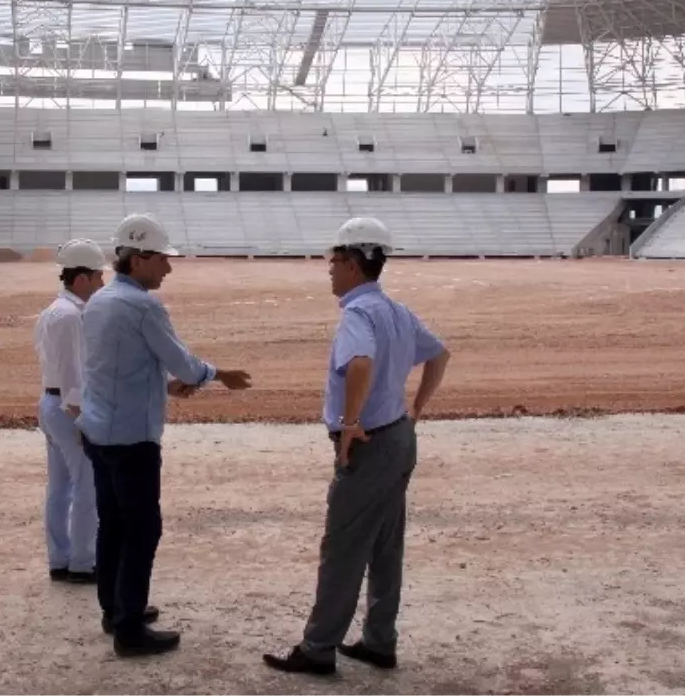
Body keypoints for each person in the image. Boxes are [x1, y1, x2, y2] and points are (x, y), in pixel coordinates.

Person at [263, 216, 451, 677]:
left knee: (344, 548)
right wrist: (416, 410)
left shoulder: (358, 314)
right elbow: (440, 353)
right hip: (398, 437)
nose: (329, 269)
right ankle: (378, 640)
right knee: (386, 545)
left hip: (368, 444)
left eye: (333, 261)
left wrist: (349, 424)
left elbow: (360, 364)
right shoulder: (397, 311)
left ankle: (318, 648)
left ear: (350, 264)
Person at [78, 213, 253, 658]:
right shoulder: (143, 306)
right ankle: (130, 630)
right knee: (141, 529)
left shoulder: (98, 301)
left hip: (98, 430)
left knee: (112, 524)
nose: (168, 269)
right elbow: (185, 364)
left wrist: (162, 385)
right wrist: (218, 374)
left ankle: (114, 609)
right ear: (138, 260)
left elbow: (116, 366)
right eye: (162, 260)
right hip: (131, 439)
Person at [32, 239, 108, 586]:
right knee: (86, 485)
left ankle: (60, 558)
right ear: (81, 279)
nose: (101, 284)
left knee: (60, 487)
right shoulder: (72, 316)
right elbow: (73, 376)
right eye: (97, 277)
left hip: (50, 402)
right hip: (67, 407)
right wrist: (82, 416)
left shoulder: (52, 311)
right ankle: (82, 561)